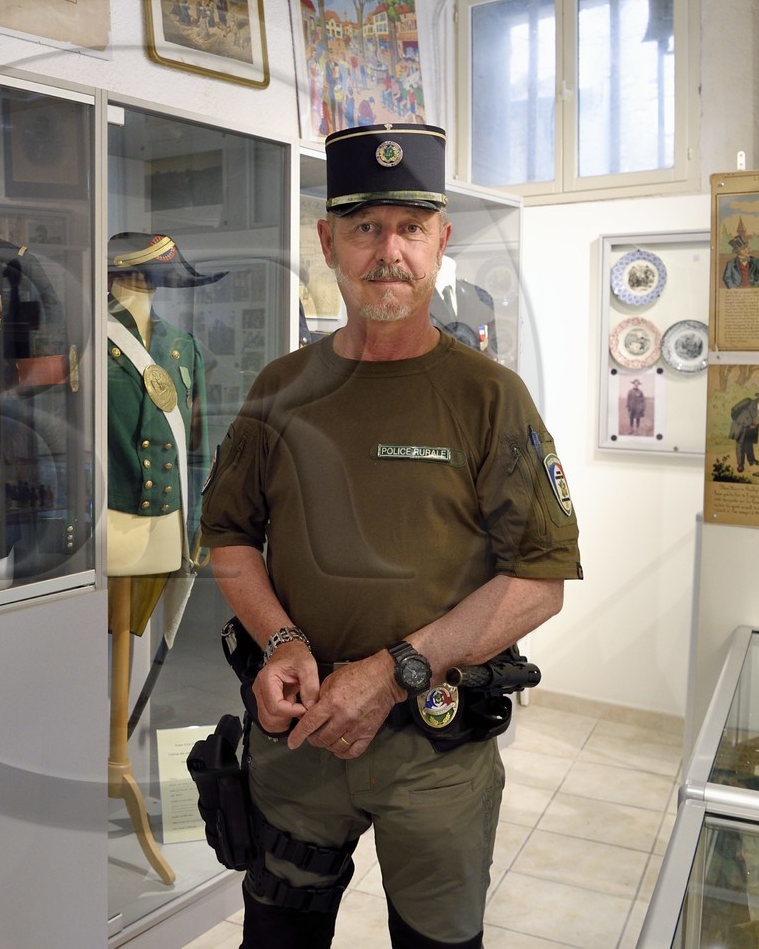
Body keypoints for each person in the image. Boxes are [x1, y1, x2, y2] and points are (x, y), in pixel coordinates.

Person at [200, 123, 581, 948]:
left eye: (410, 227)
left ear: (441, 240)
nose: (388, 251)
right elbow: (228, 536)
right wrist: (282, 640)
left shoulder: (490, 396)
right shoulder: (281, 388)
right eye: (365, 227)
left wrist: (395, 669)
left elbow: (538, 579)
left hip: (433, 753)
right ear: (327, 240)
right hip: (297, 743)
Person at [105, 231, 223, 884]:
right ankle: (106, 754)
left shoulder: (183, 347)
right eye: (140, 279)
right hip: (112, 527)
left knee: (139, 642)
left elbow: (197, 443)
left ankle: (119, 756)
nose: (146, 291)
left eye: (153, 282)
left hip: (165, 529)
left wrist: (197, 522)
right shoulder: (92, 346)